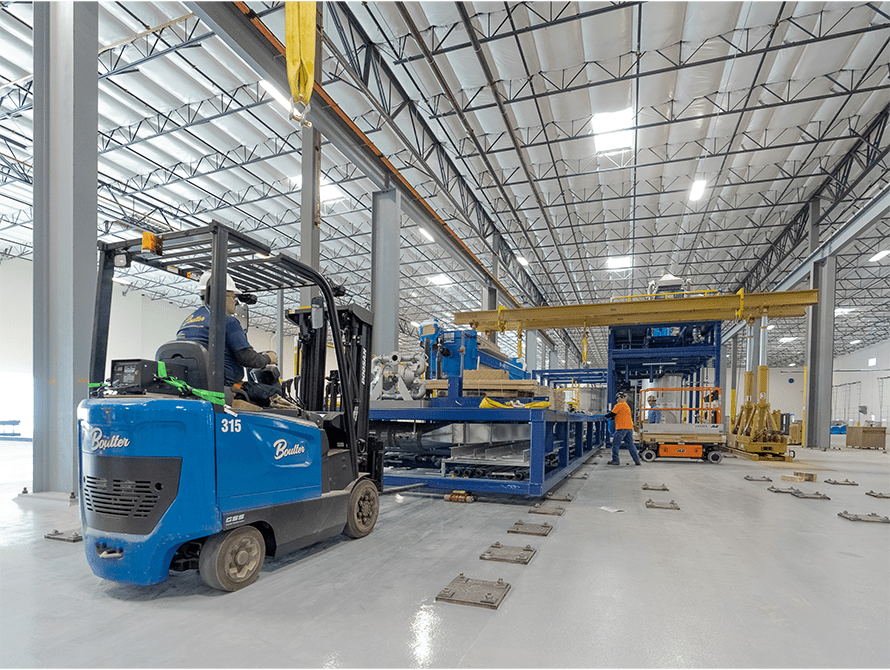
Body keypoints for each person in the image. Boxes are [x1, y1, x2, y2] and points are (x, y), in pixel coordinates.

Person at [176, 271, 278, 387]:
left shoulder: (189, 320)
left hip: (194, 385)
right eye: (234, 297)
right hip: (224, 386)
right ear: (223, 295)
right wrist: (268, 358)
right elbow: (247, 358)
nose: (235, 301)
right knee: (273, 392)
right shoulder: (227, 321)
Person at [605, 392, 641, 466]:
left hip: (621, 428)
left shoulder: (618, 405)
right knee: (630, 444)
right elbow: (620, 415)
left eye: (618, 398)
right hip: (629, 428)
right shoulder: (626, 406)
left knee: (615, 444)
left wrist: (605, 416)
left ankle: (615, 460)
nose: (617, 400)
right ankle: (637, 460)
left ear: (619, 398)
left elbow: (612, 414)